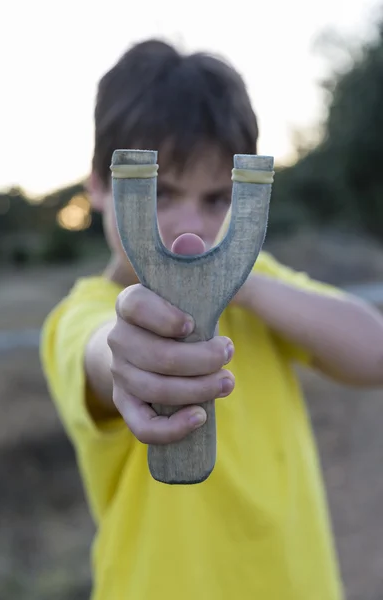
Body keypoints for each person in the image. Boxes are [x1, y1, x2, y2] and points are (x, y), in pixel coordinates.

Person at [40, 38, 383, 600]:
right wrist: (129, 358)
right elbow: (102, 354)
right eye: (162, 193)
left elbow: (374, 352)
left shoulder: (256, 280)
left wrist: (238, 279)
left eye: (218, 198)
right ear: (101, 186)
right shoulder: (82, 314)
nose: (187, 228)